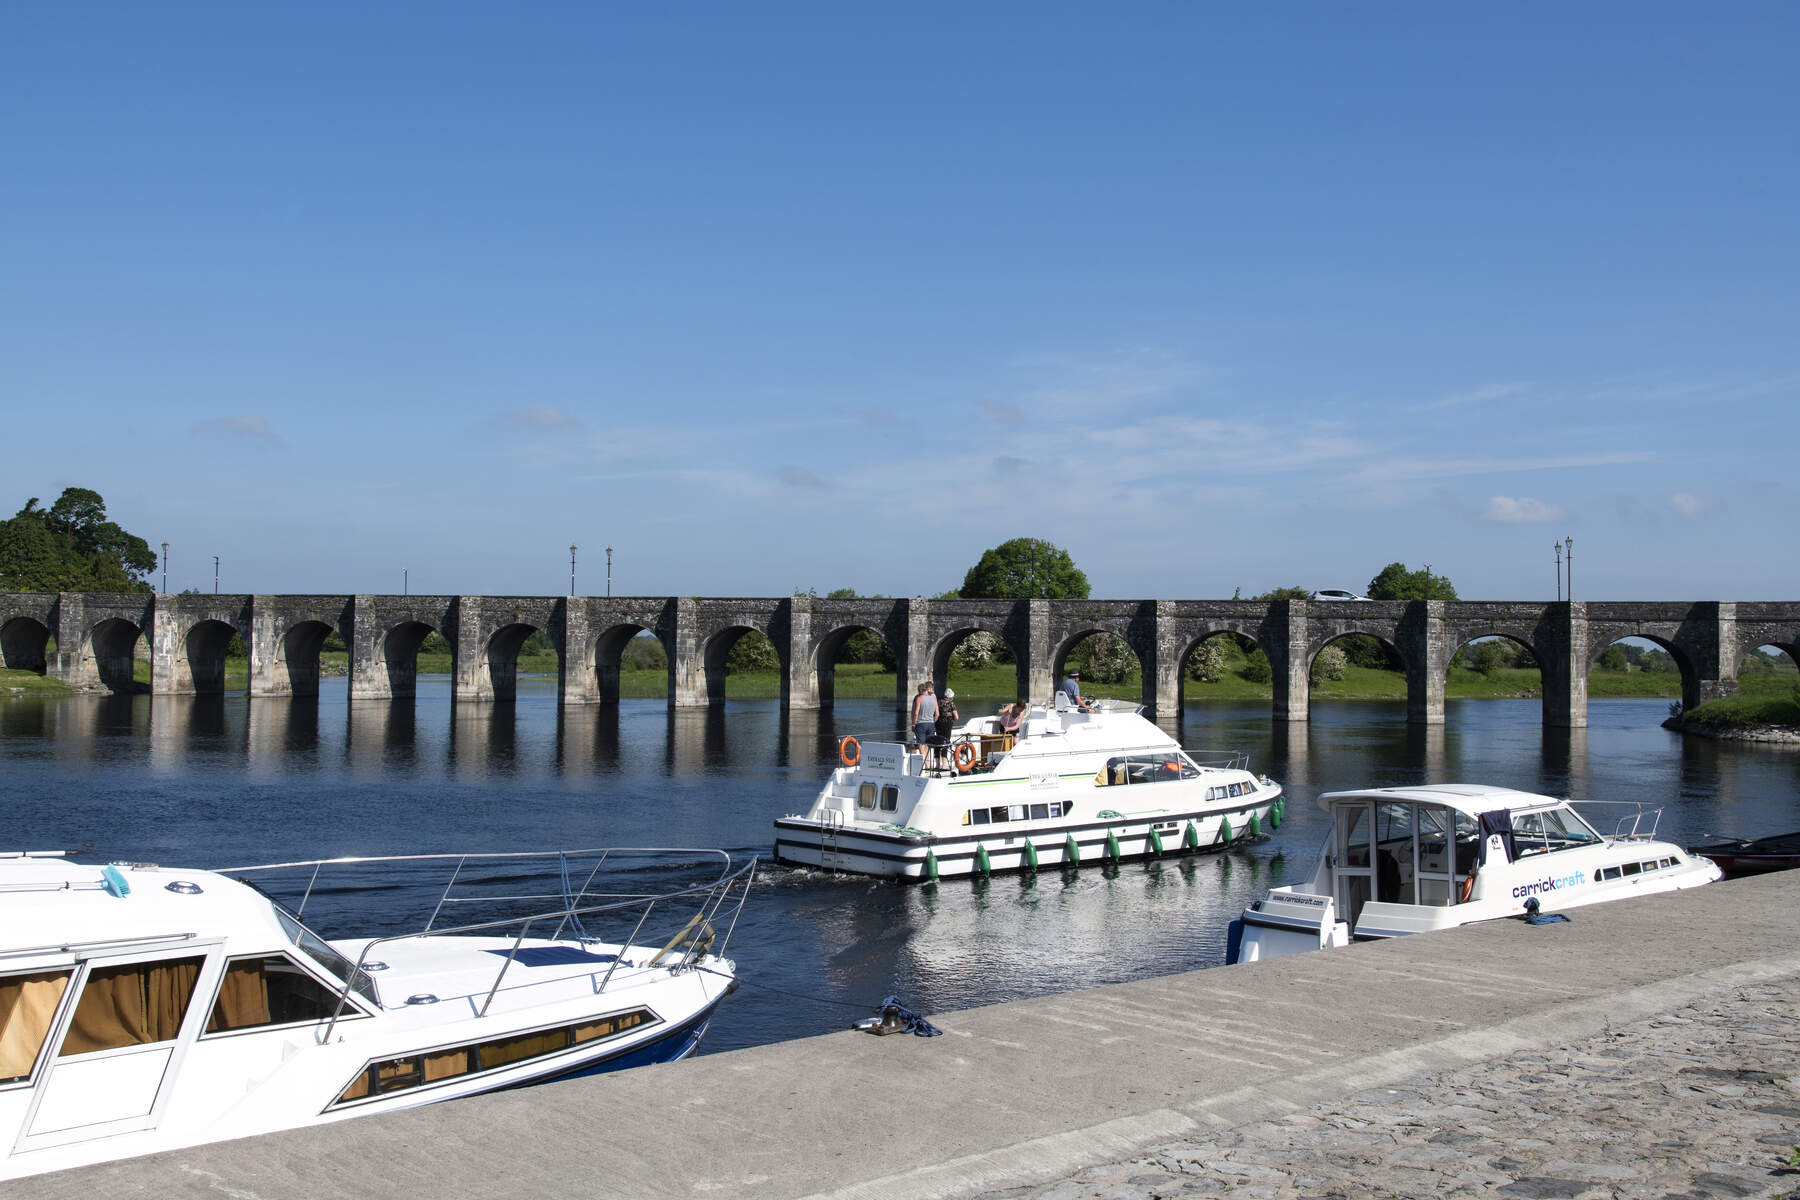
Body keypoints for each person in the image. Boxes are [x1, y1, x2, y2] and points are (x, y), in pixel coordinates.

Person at [911, 681, 938, 765]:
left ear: (919, 691)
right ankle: (928, 764)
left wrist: (913, 723)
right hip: (931, 724)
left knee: (921, 744)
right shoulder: (933, 698)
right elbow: (937, 714)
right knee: (928, 744)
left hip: (921, 724)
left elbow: (915, 713)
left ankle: (925, 765)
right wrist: (933, 721)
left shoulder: (919, 698)